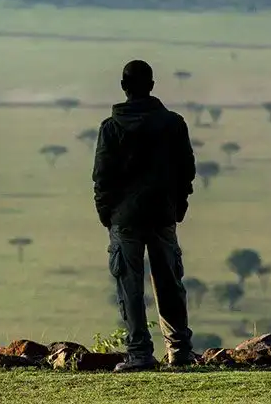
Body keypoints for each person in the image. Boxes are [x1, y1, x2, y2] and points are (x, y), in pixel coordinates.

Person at [94, 59, 196, 371]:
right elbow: (186, 171)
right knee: (169, 283)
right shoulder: (174, 123)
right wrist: (178, 206)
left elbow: (102, 177)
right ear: (152, 86)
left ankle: (139, 353)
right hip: (163, 214)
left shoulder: (111, 128)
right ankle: (178, 351)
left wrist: (107, 214)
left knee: (130, 288)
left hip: (124, 219)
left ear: (124, 87)